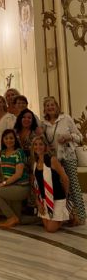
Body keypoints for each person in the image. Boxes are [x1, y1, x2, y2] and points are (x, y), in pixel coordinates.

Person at [43, 96, 85, 225]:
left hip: (68, 156)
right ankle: (67, 215)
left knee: (73, 186)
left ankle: (81, 216)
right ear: (45, 109)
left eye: (52, 105)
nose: (50, 107)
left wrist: (69, 137)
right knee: (60, 187)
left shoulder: (66, 118)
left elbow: (80, 137)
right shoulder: (44, 124)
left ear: (57, 106)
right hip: (55, 160)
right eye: (47, 105)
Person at [32, 135, 70, 232]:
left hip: (58, 198)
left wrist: (66, 197)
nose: (38, 147)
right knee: (46, 225)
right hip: (45, 199)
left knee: (50, 229)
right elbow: (36, 185)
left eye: (41, 144)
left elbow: (65, 179)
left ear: (45, 146)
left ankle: (67, 213)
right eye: (35, 144)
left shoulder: (52, 160)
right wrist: (38, 203)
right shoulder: (35, 163)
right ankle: (63, 216)